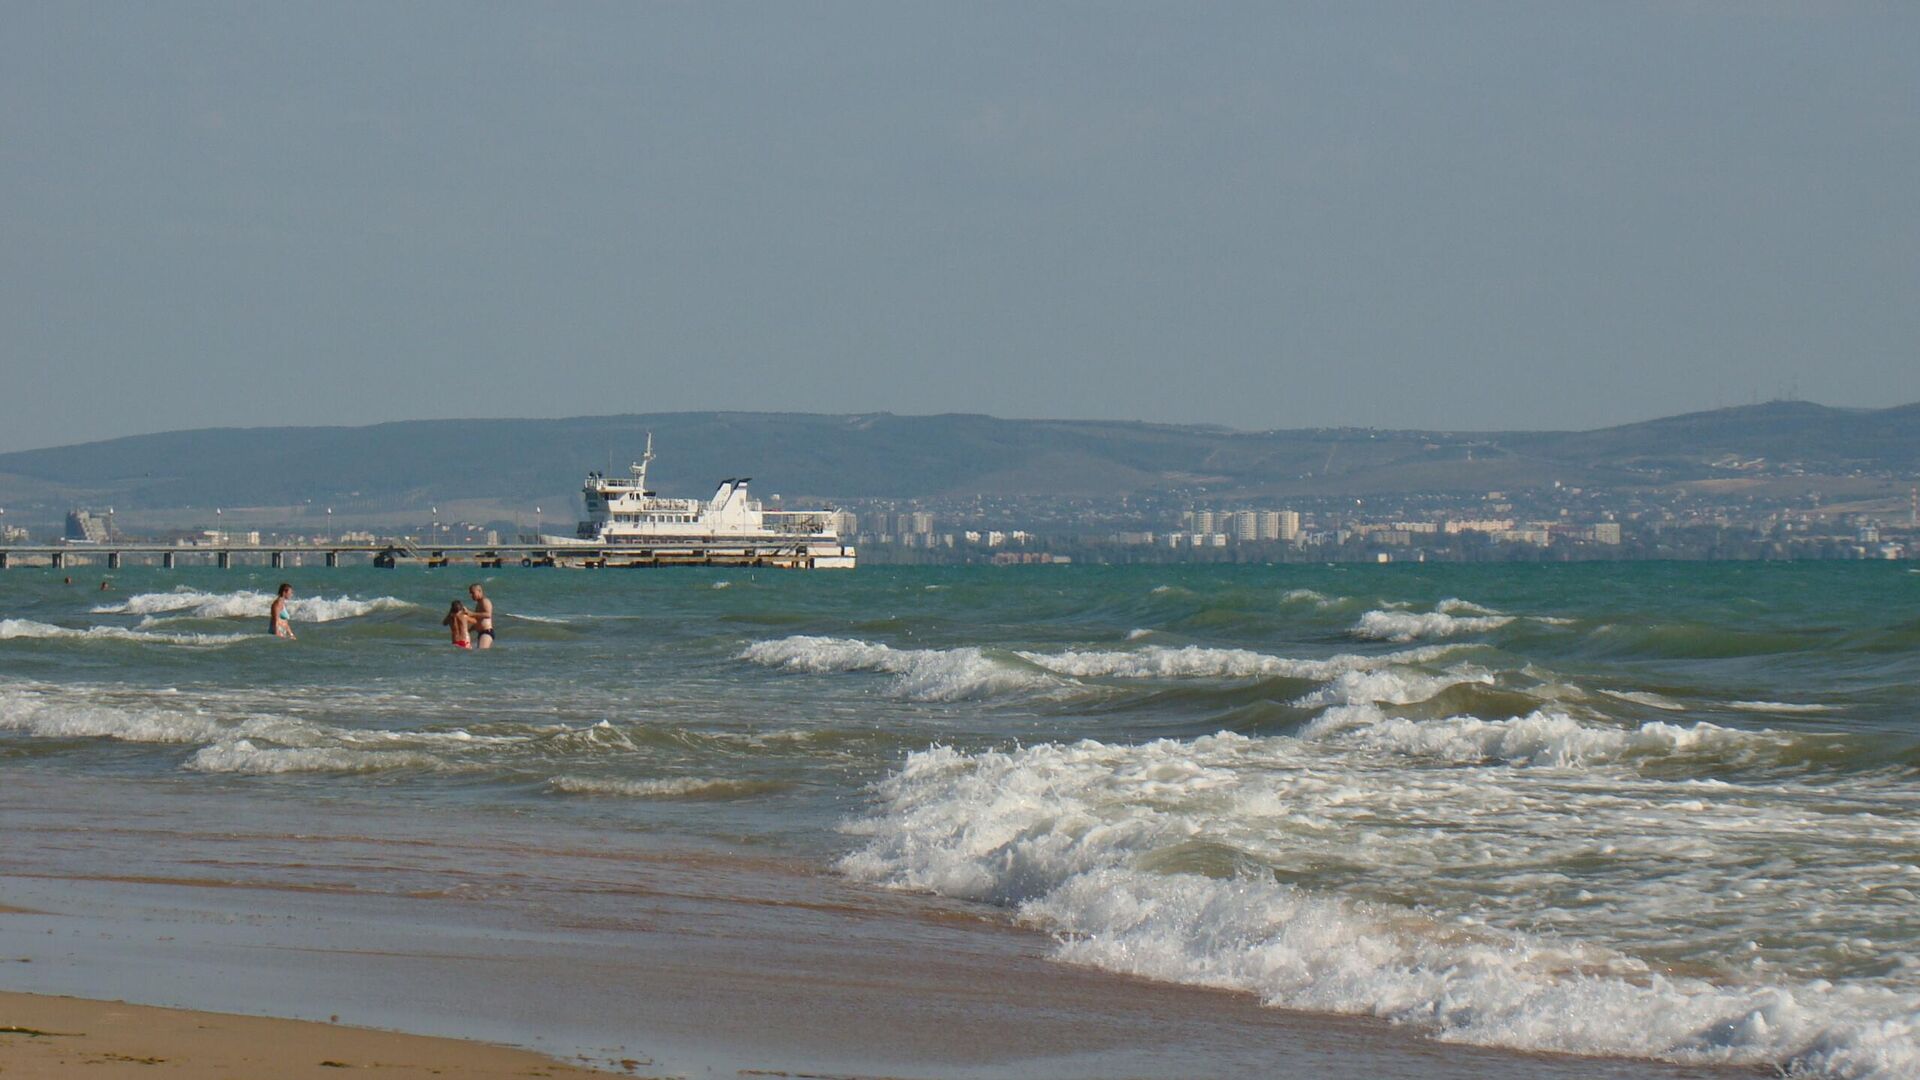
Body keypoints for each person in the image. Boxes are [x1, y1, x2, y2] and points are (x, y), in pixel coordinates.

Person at [467, 584, 495, 649]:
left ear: (479, 591)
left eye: (473, 593)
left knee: (481, 651)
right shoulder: (479, 604)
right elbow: (479, 621)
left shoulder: (485, 601)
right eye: (470, 593)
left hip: (486, 632)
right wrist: (468, 630)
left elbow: (488, 614)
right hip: (481, 633)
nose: (471, 595)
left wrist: (472, 614)